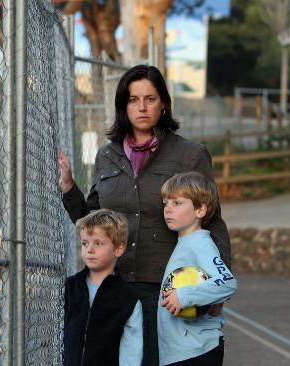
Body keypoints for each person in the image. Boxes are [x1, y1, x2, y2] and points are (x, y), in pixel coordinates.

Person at [58, 64, 232, 365]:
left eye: (150, 99)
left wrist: (216, 293)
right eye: (133, 99)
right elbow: (96, 223)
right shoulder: (107, 155)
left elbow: (213, 223)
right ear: (123, 105)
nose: (142, 107)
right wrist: (69, 187)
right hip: (115, 286)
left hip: (164, 287)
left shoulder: (190, 155)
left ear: (163, 103)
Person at [158, 172, 237, 366]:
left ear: (200, 209)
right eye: (165, 203)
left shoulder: (200, 243)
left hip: (196, 351)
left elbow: (227, 283)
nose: (168, 209)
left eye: (177, 203)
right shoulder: (185, 241)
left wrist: (184, 296)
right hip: (180, 351)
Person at [63, 209, 143, 366]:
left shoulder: (128, 298)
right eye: (85, 243)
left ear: (118, 249)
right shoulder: (71, 287)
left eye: (98, 243)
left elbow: (132, 351)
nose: (89, 250)